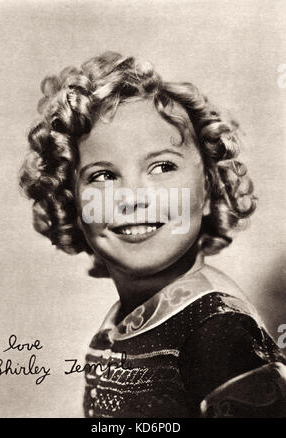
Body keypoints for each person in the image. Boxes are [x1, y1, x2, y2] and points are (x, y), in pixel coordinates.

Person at [19, 51, 286, 418]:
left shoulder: (217, 332)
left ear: (209, 188)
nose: (132, 197)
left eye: (162, 167)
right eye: (103, 175)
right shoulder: (122, 322)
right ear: (72, 203)